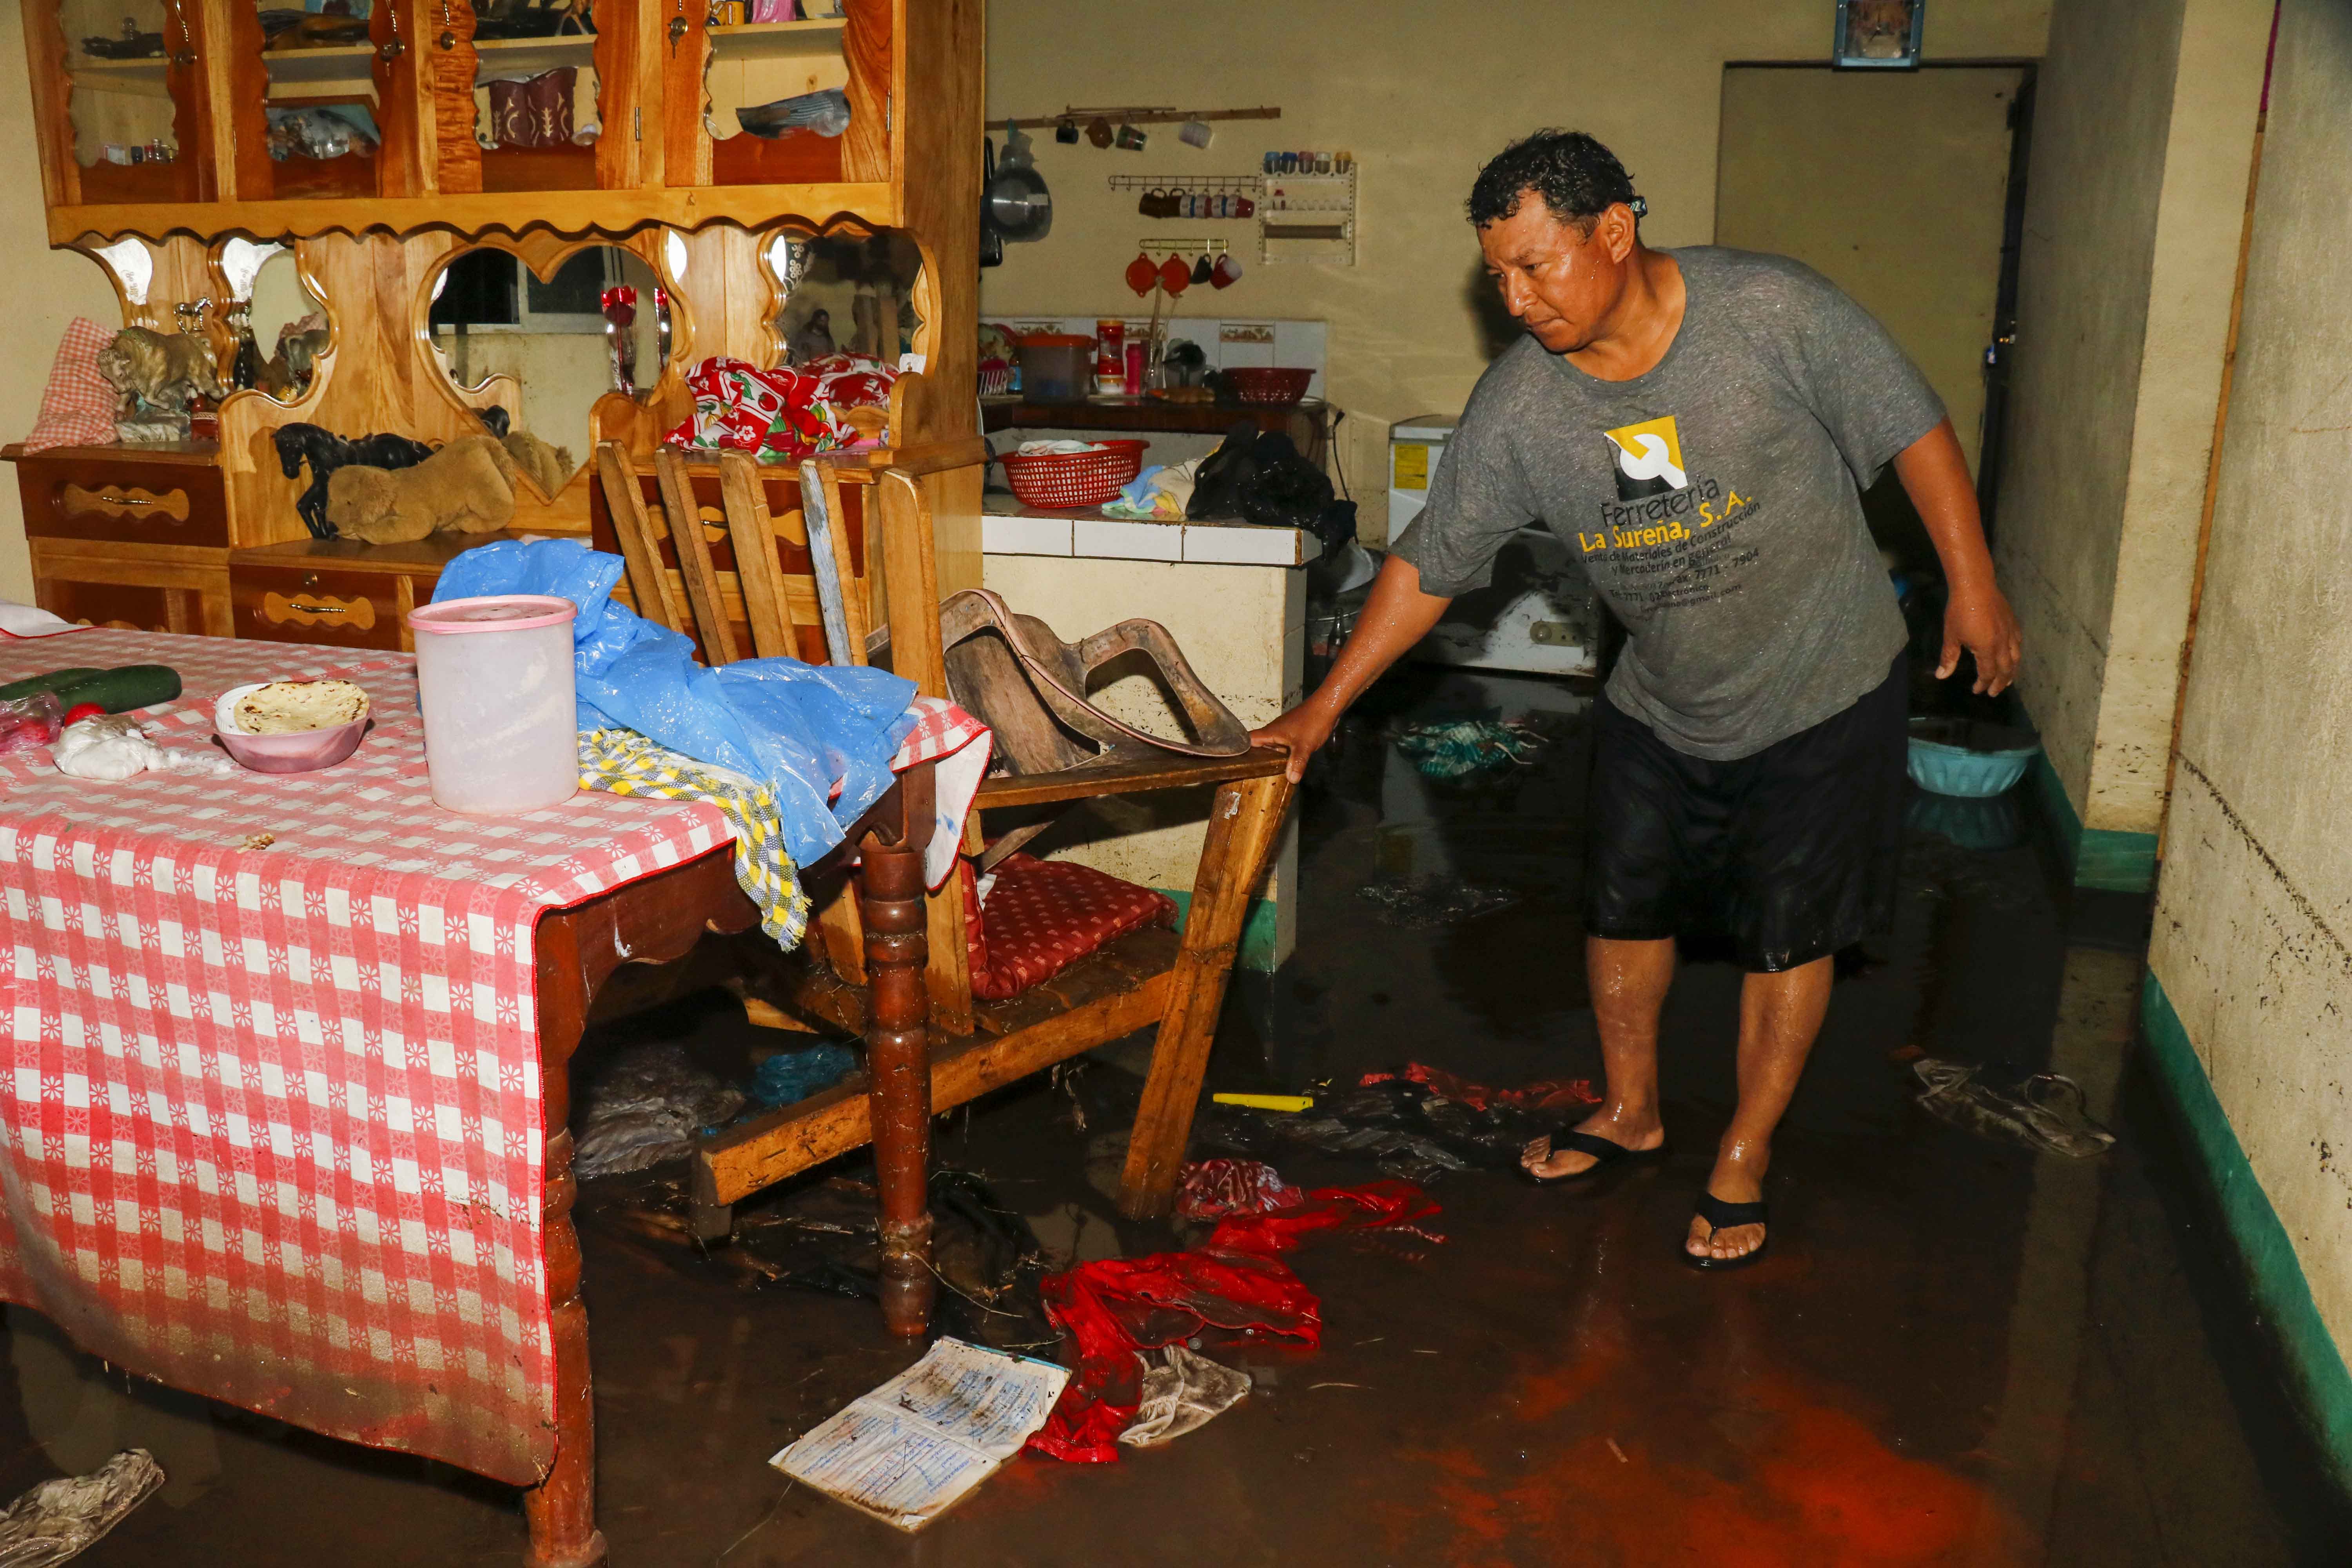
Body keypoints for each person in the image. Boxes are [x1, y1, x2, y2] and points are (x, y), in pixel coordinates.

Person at [1252, 130, 2021, 1270]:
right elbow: (1429, 564)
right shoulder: (1520, 408)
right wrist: (1322, 709)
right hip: (1662, 692)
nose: (1515, 300)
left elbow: (1911, 425)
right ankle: (1631, 1110)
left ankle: (1747, 1152)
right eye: (1497, 276)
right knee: (1623, 908)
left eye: (1536, 266)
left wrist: (1974, 585)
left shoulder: (1770, 310)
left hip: (1827, 676)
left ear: (1614, 230)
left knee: (1790, 928)